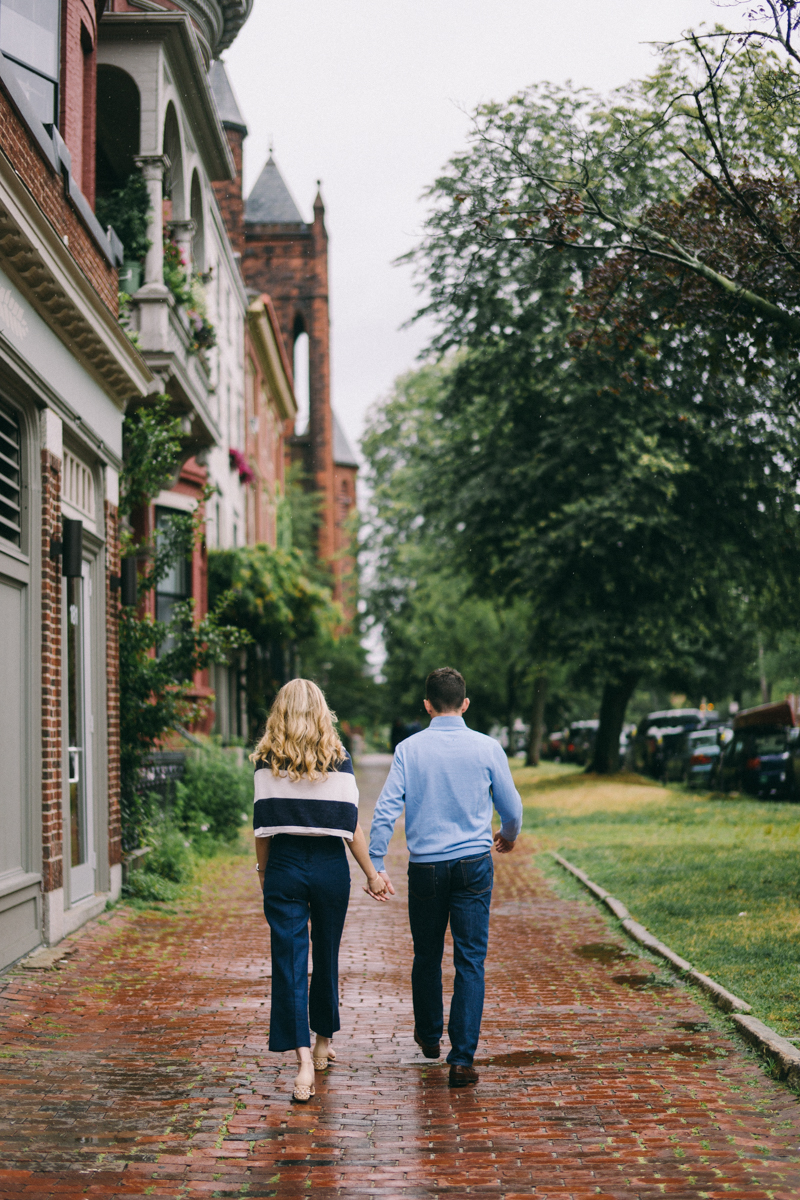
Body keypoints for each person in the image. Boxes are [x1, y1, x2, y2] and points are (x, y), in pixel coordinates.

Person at [367, 667, 522, 1088]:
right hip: (474, 863)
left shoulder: (408, 749)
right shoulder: (487, 747)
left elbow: (385, 810)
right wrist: (507, 837)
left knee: (427, 954)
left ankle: (430, 1035)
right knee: (470, 958)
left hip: (427, 867)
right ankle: (462, 1059)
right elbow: (512, 808)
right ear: (465, 704)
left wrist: (376, 860)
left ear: (427, 705)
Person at [252, 678, 388, 1103]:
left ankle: (302, 1063)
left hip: (285, 865)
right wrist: (371, 873)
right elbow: (350, 824)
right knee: (326, 955)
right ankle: (323, 1042)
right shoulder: (339, 758)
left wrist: (263, 874)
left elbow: (262, 828)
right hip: (331, 866)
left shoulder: (265, 759)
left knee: (289, 965)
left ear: (280, 712)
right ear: (320, 711)